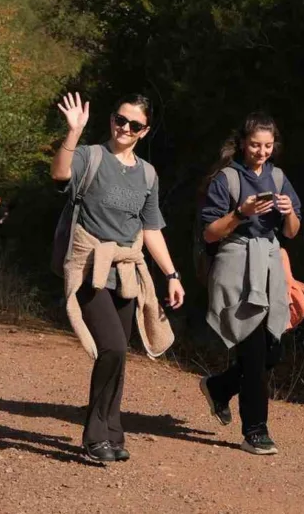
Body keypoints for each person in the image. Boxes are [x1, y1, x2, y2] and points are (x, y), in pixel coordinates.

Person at [50, 92, 185, 463]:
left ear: (145, 131)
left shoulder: (147, 174)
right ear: (111, 119)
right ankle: (94, 436)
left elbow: (151, 228)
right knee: (113, 347)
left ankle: (112, 430)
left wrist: (171, 274)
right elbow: (59, 174)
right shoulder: (90, 156)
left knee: (120, 355)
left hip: (126, 271)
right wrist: (73, 132)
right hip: (88, 267)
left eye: (134, 124)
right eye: (120, 120)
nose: (125, 128)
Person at [198, 112, 302, 455]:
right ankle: (255, 431)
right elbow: (210, 233)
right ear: (243, 143)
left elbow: (291, 232)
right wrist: (241, 213)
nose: (262, 151)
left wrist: (288, 211)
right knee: (254, 350)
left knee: (273, 349)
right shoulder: (226, 179)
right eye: (255, 144)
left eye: (268, 146)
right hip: (236, 267)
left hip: (270, 266)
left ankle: (219, 387)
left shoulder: (279, 177)